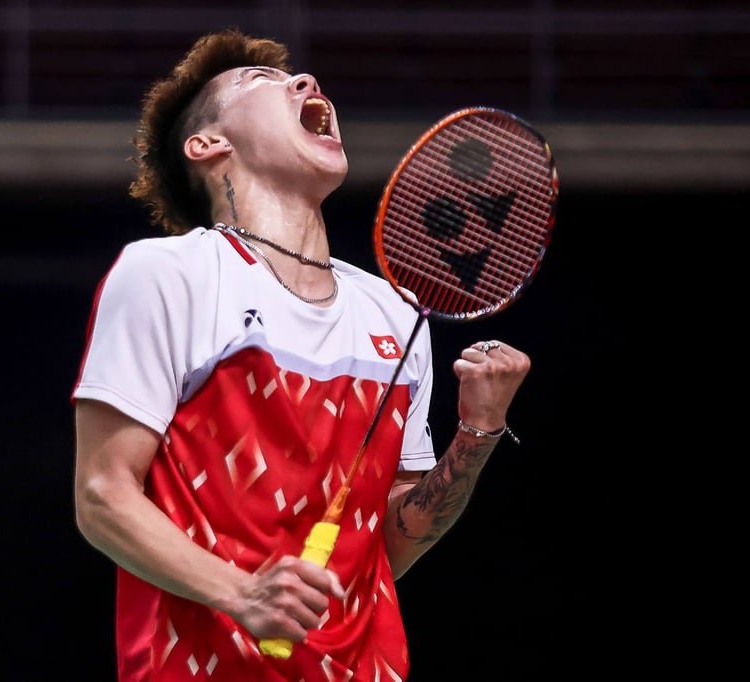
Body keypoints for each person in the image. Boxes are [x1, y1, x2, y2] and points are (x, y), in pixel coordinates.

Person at [71, 27, 531, 682]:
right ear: (207, 145)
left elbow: (390, 544)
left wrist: (478, 432)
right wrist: (239, 592)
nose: (307, 83)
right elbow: (102, 494)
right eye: (260, 83)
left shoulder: (395, 315)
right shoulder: (171, 275)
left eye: (303, 80)